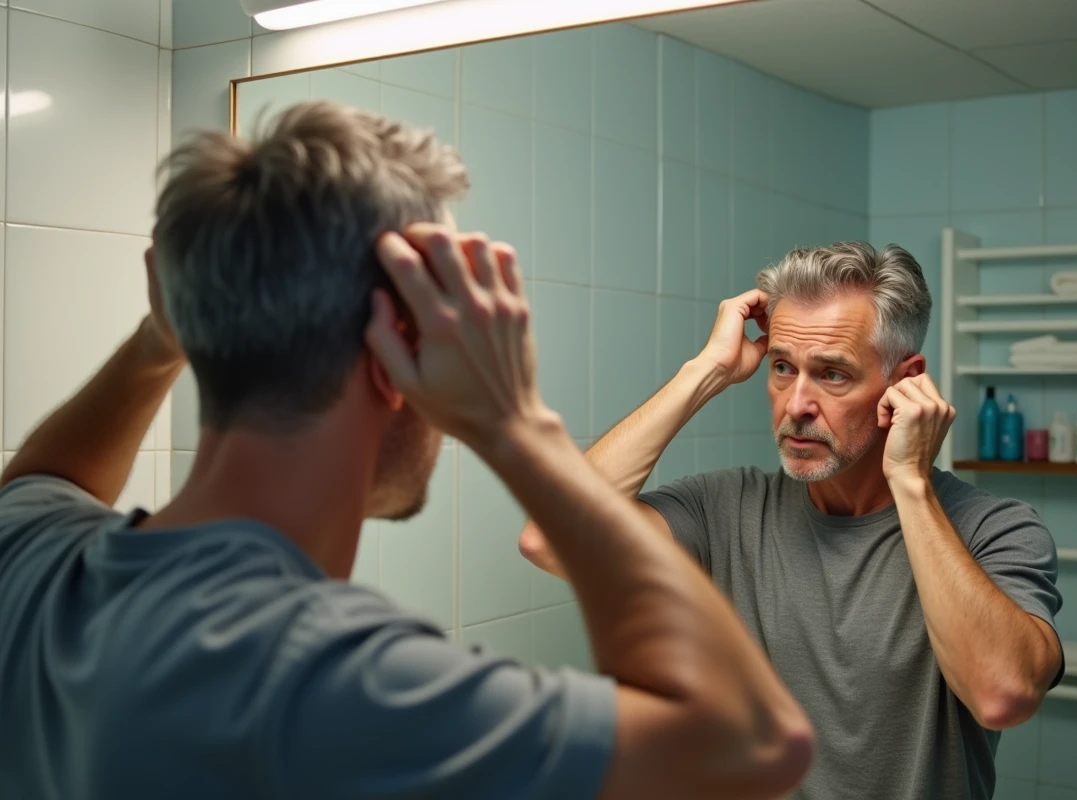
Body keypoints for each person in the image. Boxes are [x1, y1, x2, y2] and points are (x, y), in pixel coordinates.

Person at [0, 101, 814, 800]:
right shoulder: (331, 681)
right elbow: (754, 742)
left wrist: (161, 335)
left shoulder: (36, 567)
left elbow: (42, 477)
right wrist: (513, 420)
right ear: (400, 355)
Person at [520, 241, 1065, 800]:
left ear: (905, 381)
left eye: (832, 374)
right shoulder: (725, 511)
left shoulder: (993, 529)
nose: (796, 404)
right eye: (782, 368)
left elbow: (1002, 694)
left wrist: (911, 482)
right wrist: (705, 372)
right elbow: (549, 541)